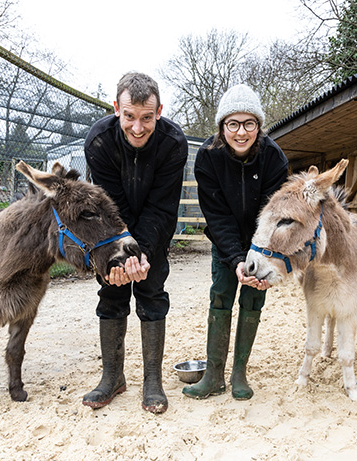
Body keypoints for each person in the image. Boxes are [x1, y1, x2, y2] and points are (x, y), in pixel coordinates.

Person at [83, 72, 188, 414]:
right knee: (112, 291)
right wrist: (120, 259)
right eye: (129, 116)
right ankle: (112, 376)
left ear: (159, 111)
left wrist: (141, 255)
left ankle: (152, 381)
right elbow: (113, 209)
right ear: (117, 109)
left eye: (146, 118)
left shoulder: (173, 143)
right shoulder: (99, 141)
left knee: (152, 292)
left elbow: (161, 207)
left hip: (155, 231)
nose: (138, 127)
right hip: (112, 233)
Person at [183, 84, 288, 400]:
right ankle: (214, 375)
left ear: (259, 125)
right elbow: (217, 216)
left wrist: (265, 260)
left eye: (249, 123)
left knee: (254, 298)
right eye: (233, 124)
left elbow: (273, 216)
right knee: (221, 296)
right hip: (224, 239)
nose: (241, 132)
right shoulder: (207, 157)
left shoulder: (274, 159)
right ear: (222, 126)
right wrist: (236, 259)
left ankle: (239, 373)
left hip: (263, 241)